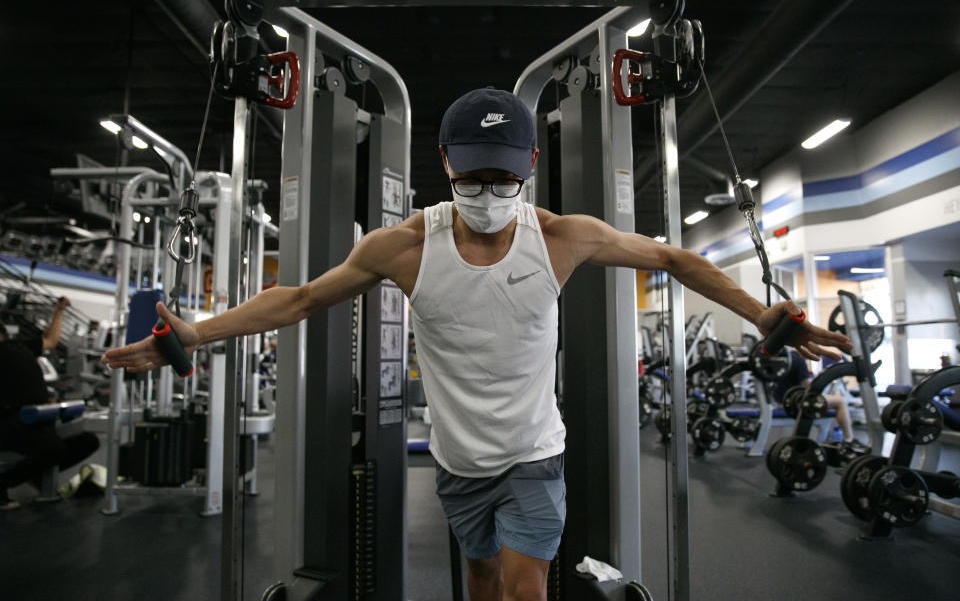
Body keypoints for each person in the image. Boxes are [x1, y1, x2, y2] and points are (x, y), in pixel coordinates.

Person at [103, 88, 851, 601]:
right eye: (473, 174)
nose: (488, 190)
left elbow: (674, 259)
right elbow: (297, 299)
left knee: (526, 590)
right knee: (484, 583)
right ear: (445, 162)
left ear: (529, 166)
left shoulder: (562, 237)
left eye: (503, 175)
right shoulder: (403, 247)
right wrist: (195, 334)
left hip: (534, 454)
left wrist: (763, 316)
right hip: (461, 466)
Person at [0, 297, 100, 510]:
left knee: (88, 441)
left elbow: (51, 340)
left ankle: (35, 474)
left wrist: (60, 310)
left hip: (38, 419)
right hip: (10, 422)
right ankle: (4, 483)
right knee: (52, 449)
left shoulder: (18, 346)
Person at [772, 348, 867, 453]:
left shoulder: (788, 357)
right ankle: (849, 439)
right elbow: (809, 387)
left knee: (830, 398)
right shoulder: (799, 361)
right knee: (840, 401)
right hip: (795, 402)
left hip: (780, 400)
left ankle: (833, 437)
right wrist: (818, 380)